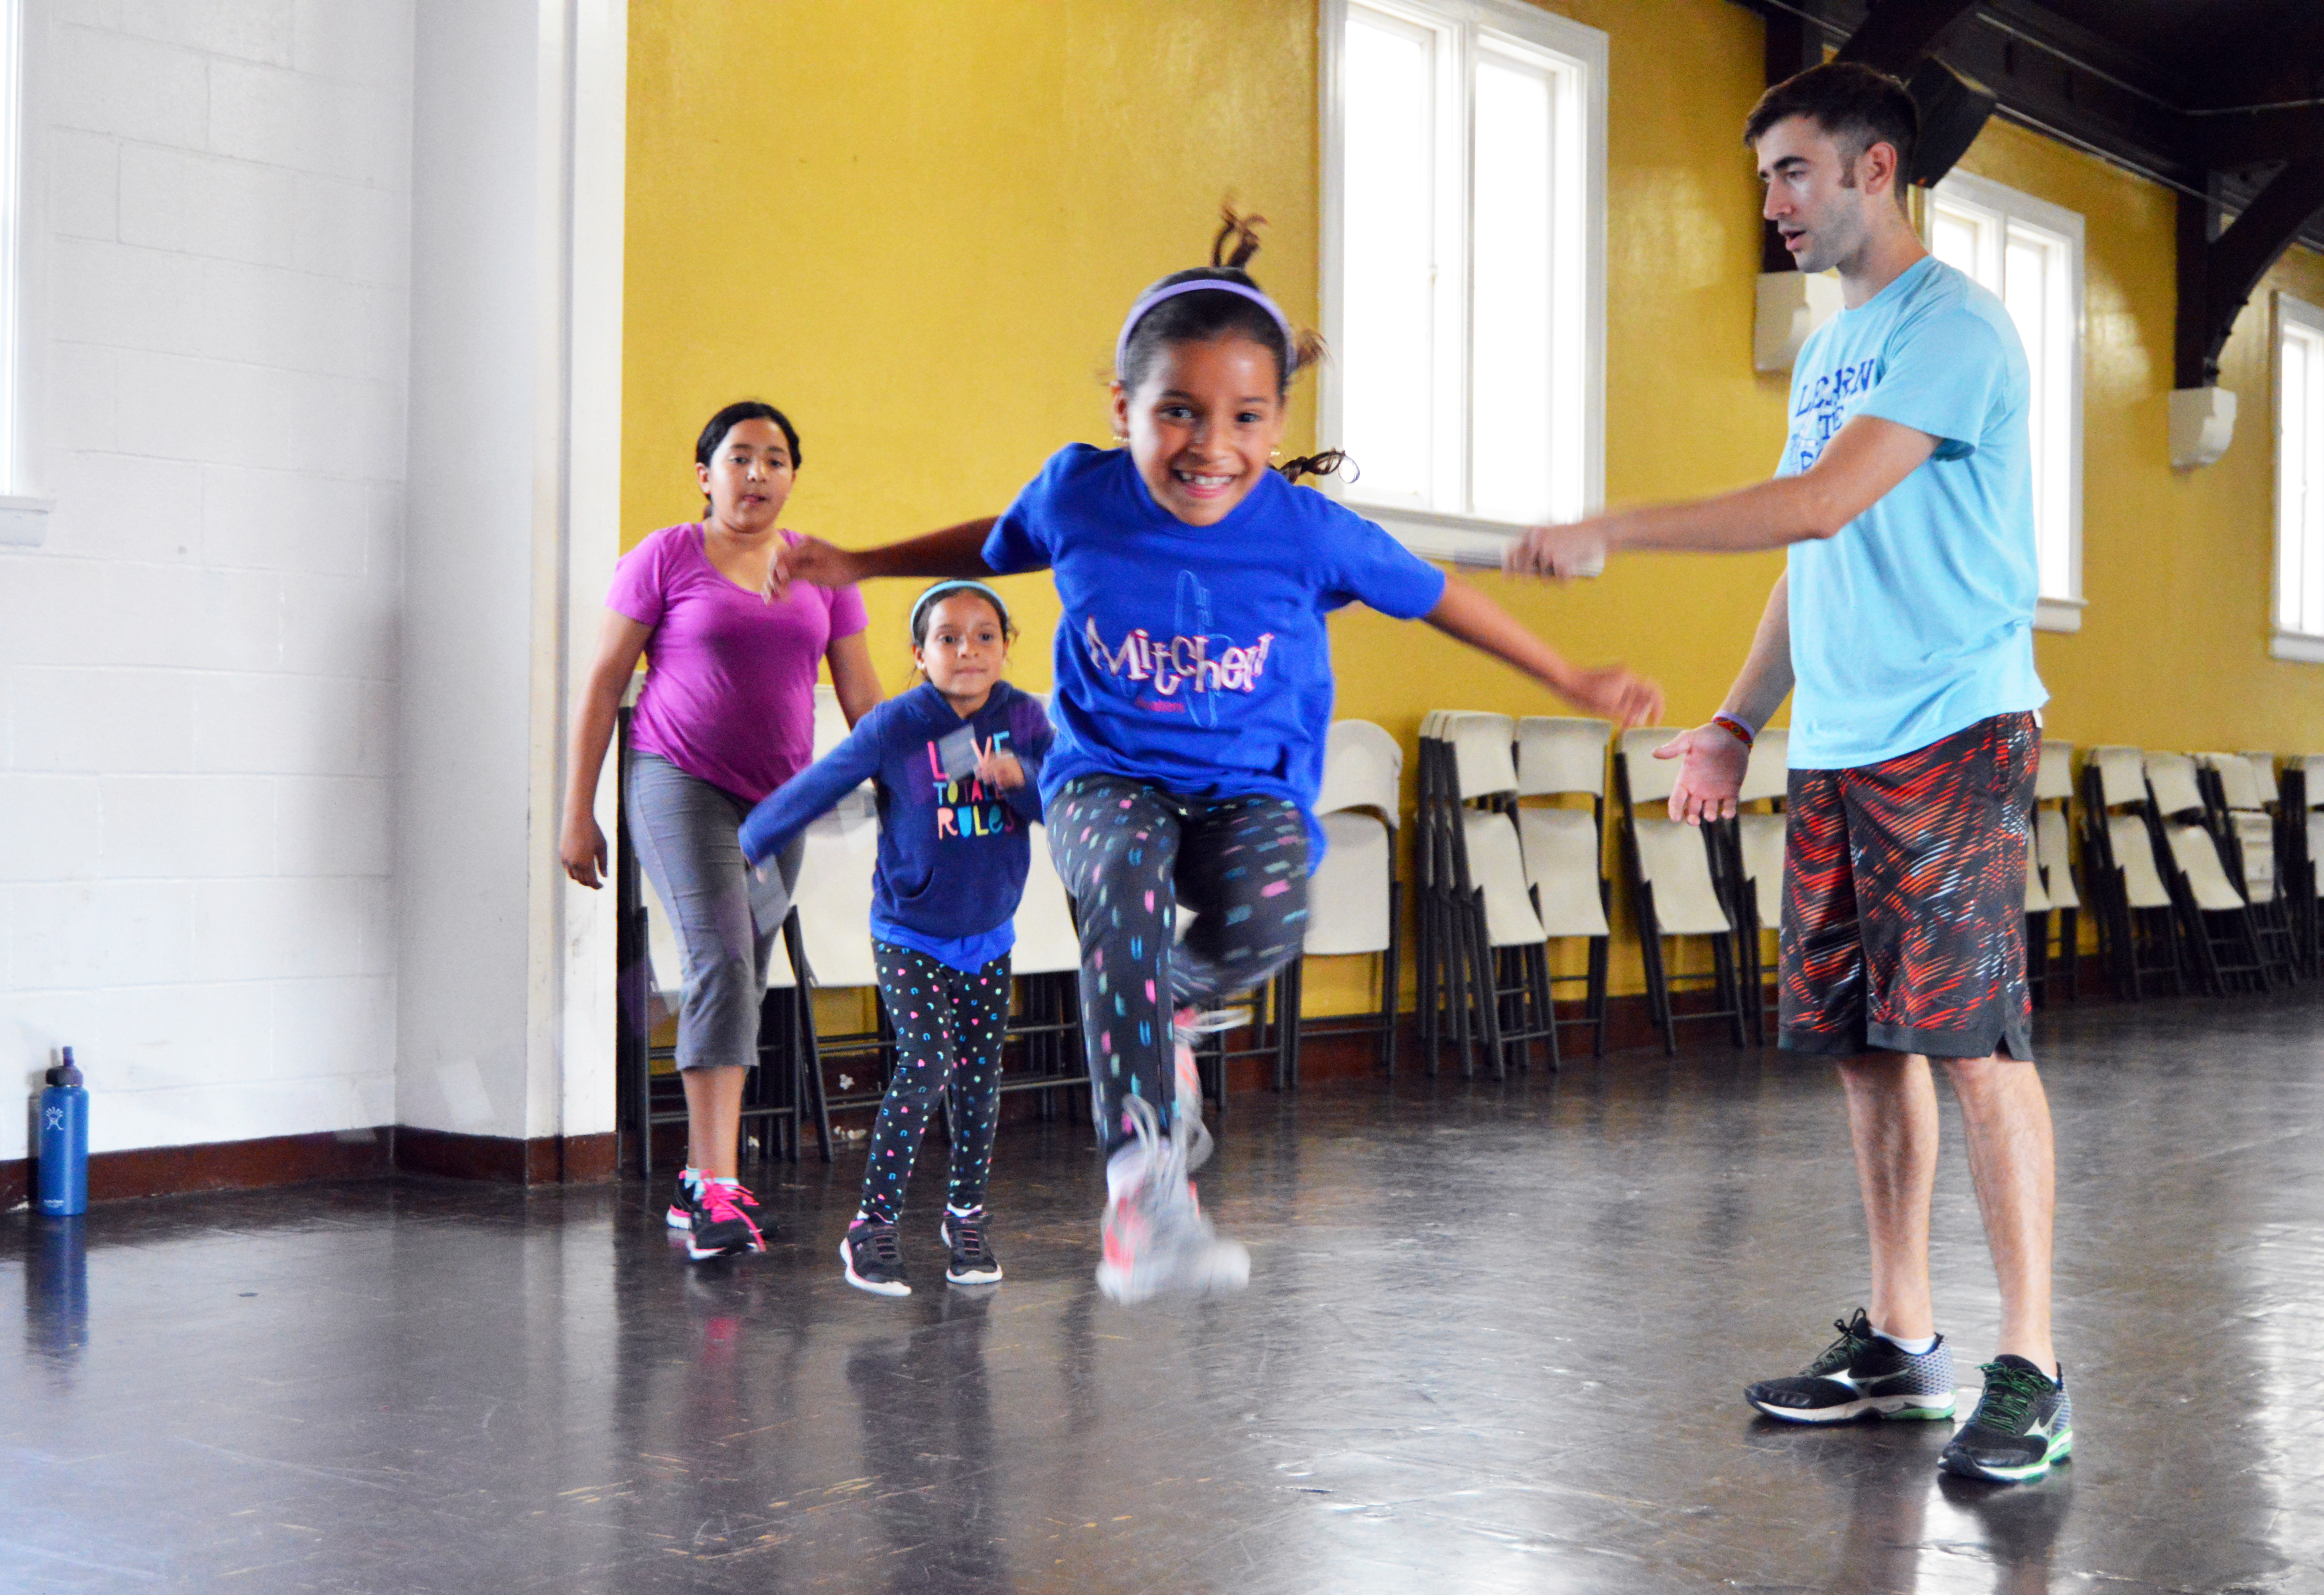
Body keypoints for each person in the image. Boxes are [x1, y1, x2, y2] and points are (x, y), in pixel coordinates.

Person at [773, 209, 1662, 1305]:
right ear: (1123, 409)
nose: (1212, 445)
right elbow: (991, 542)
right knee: (1120, 889)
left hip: (1250, 792)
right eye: (1178, 413)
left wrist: (1571, 681)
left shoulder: (1307, 527)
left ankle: (1170, 1005)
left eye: (1246, 416)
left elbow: (1446, 602)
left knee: (1274, 919)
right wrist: (858, 560)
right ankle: (1146, 1199)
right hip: (1111, 777)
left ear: (1280, 416)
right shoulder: (1078, 494)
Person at [1509, 62, 2068, 1485]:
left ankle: (2033, 1369)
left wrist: (1614, 527)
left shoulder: (1954, 330)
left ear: (1875, 169)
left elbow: (1817, 500)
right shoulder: (1830, 352)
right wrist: (1737, 719)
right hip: (1834, 740)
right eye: (1765, 176)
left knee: (1974, 1043)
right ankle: (1898, 1342)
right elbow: (1811, 549)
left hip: (1950, 726)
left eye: (1792, 173)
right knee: (1864, 1047)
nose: (1768, 204)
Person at [560, 400, 883, 1263]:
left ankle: (702, 1182)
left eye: (776, 459)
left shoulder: (821, 572)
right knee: (725, 958)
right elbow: (601, 685)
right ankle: (713, 1182)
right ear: (705, 474)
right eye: (739, 457)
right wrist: (576, 810)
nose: (758, 474)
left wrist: (917, 789)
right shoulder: (664, 556)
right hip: (678, 781)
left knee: (742, 970)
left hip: (780, 803)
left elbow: (864, 703)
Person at [739, 581, 1053, 1298]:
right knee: (928, 1063)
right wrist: (750, 842)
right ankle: (871, 1226)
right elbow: (821, 785)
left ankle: (965, 1215)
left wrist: (1023, 780)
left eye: (983, 636)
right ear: (919, 654)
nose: (967, 651)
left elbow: (1061, 800)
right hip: (910, 931)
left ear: (1006, 647)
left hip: (989, 933)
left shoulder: (1026, 718)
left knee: (978, 1079)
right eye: (947, 638)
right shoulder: (896, 726)